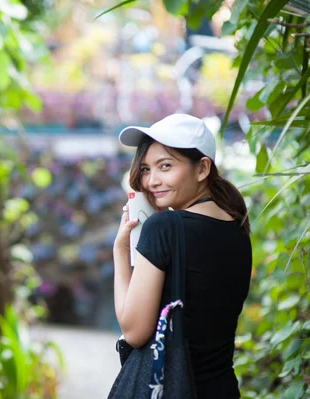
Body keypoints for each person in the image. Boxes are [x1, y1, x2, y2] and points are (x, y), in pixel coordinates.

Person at [111, 114, 252, 398]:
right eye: (147, 169)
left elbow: (134, 331)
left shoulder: (163, 228)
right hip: (221, 388)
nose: (151, 181)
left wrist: (121, 250)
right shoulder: (238, 230)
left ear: (202, 168)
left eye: (165, 166)